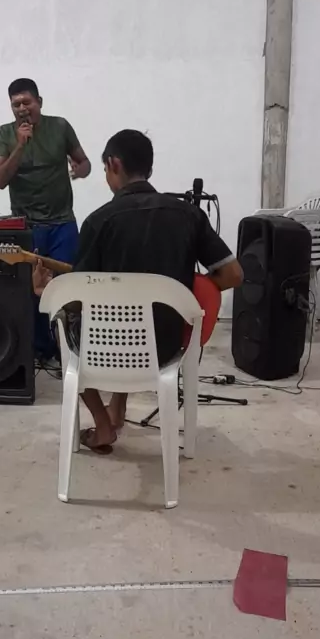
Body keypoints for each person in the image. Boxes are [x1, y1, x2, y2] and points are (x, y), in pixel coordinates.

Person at [34, 129, 243, 452]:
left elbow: (77, 302)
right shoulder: (189, 215)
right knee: (140, 313)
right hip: (166, 347)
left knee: (63, 322)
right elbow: (233, 274)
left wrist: (45, 291)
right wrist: (194, 290)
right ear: (150, 168)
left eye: (105, 169)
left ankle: (103, 424)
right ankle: (118, 407)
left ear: (114, 164)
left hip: (105, 349)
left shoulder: (98, 222)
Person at [0, 78, 91, 358]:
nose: (22, 108)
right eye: (16, 104)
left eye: (27, 102)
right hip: (27, 226)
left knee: (67, 286)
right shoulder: (5, 134)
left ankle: (69, 350)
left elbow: (85, 163)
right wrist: (20, 146)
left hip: (62, 223)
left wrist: (79, 170)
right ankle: (39, 350)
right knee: (30, 289)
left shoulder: (60, 126)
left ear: (39, 102)